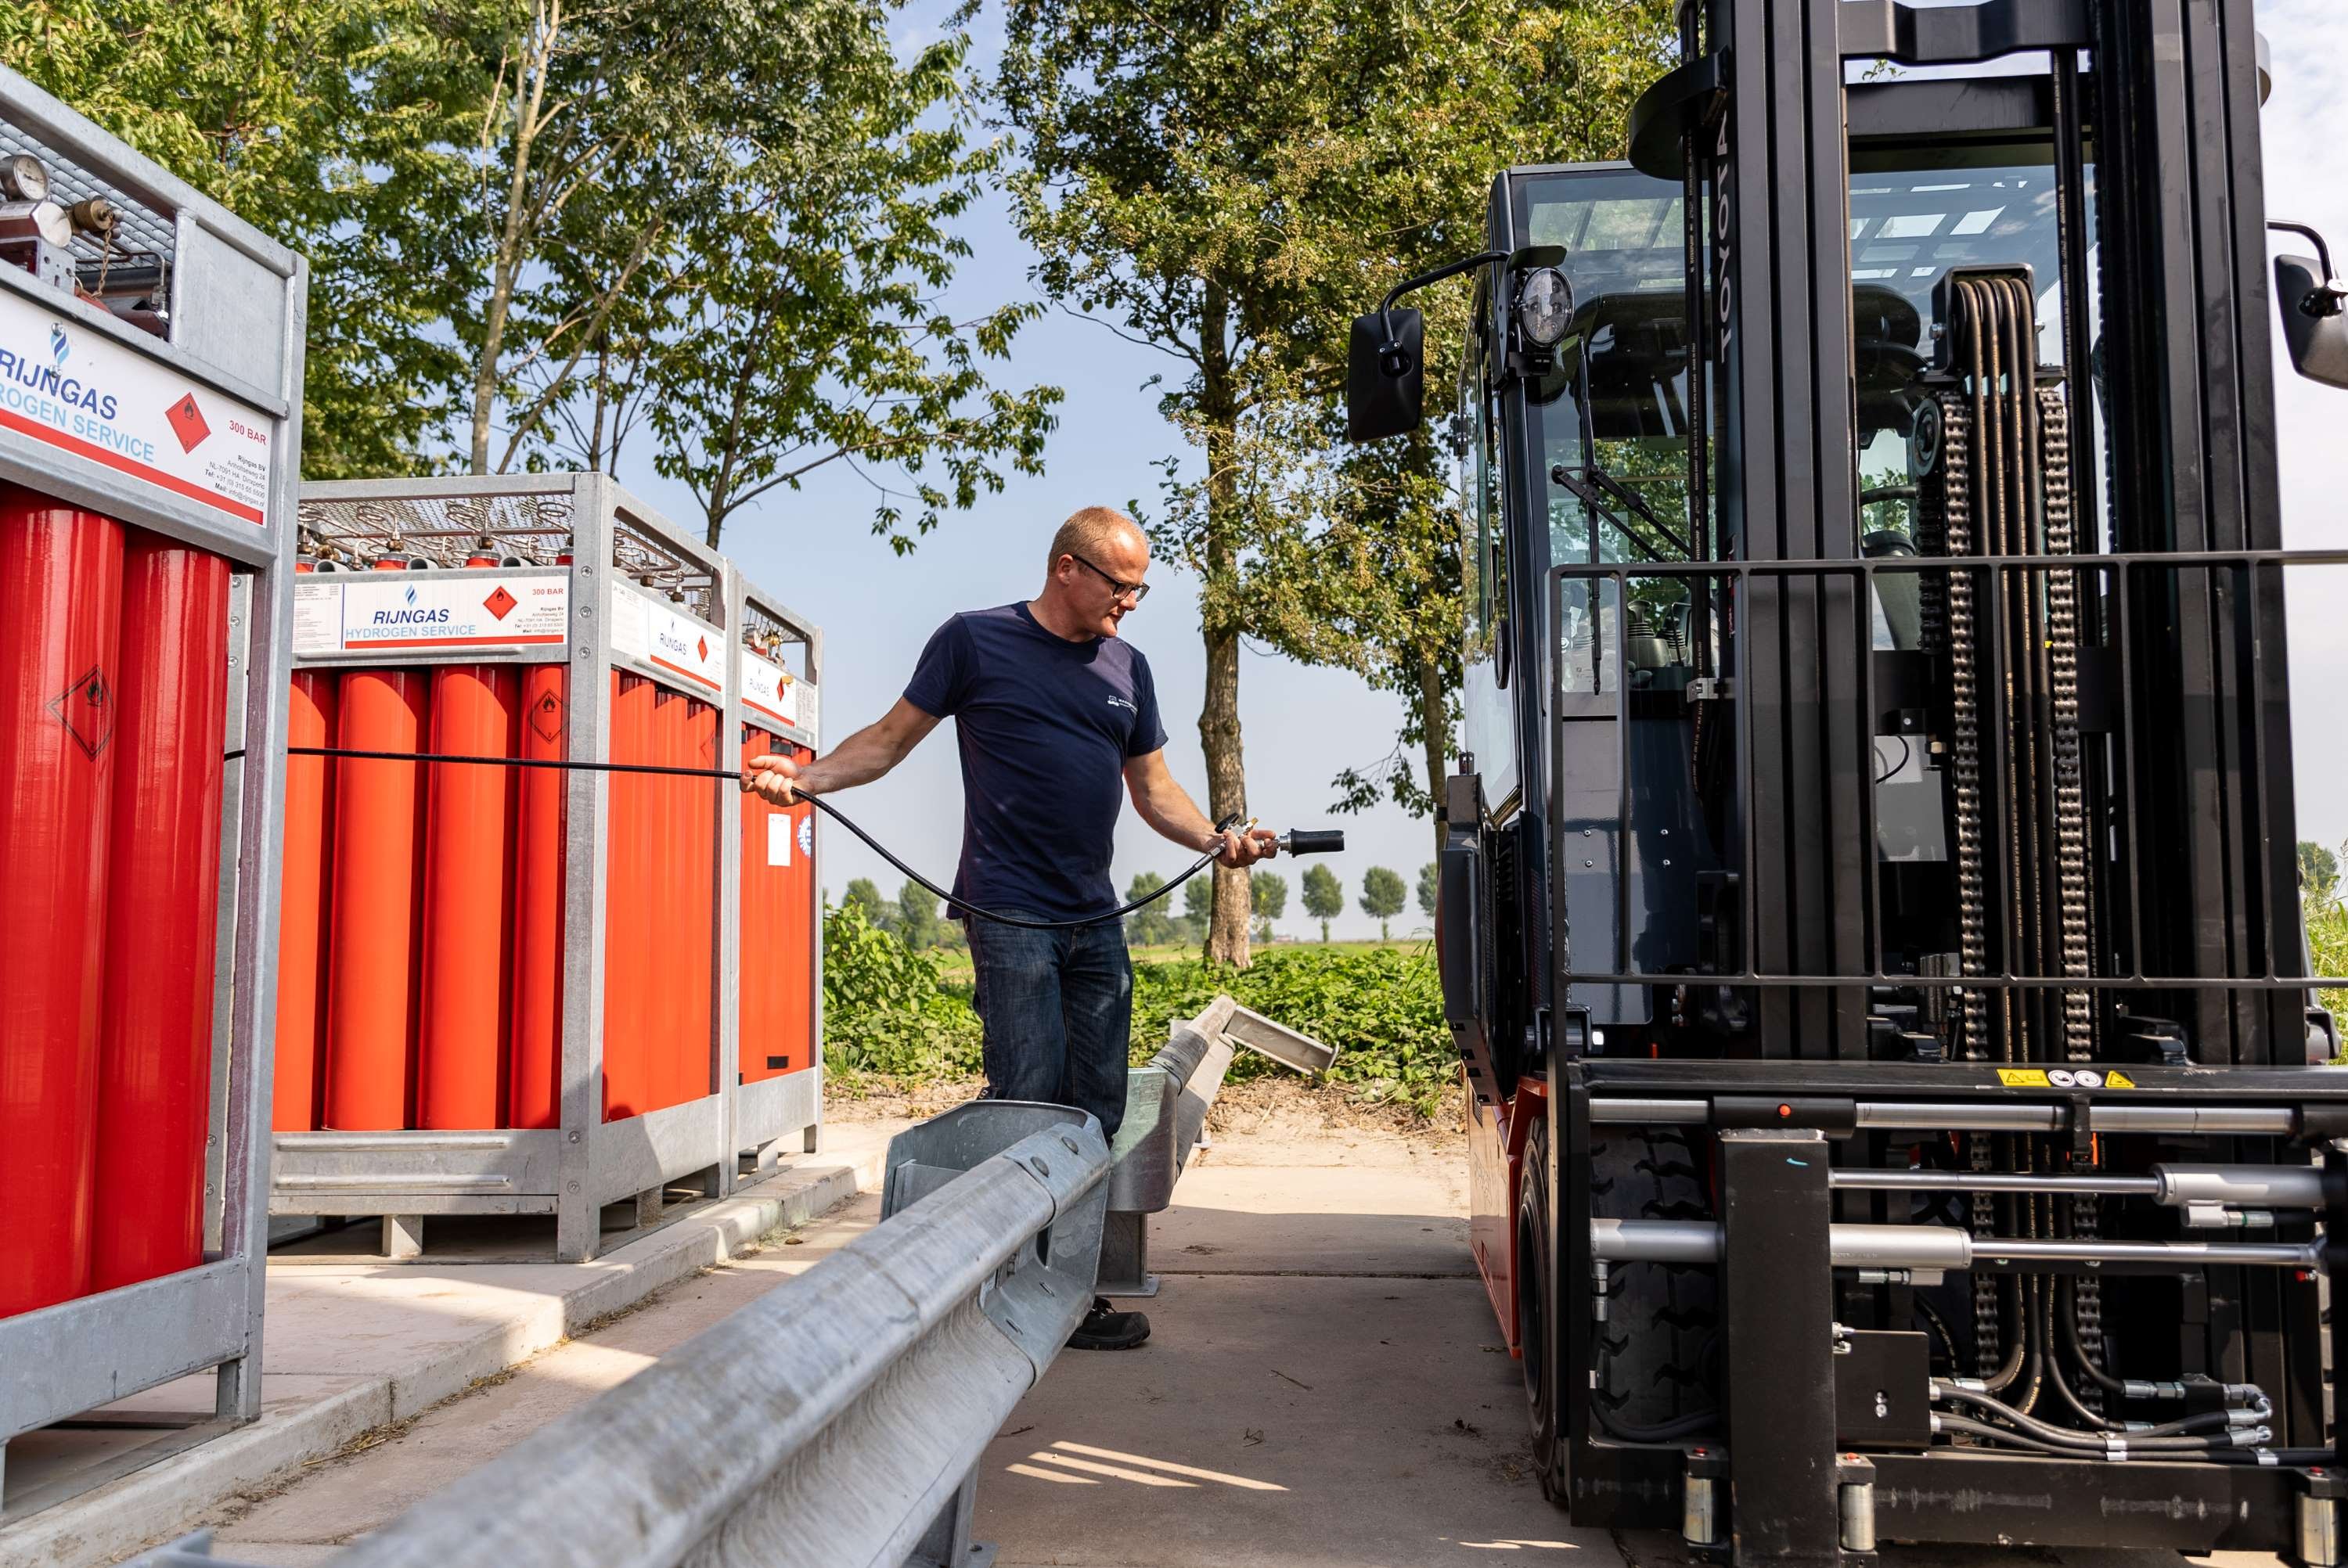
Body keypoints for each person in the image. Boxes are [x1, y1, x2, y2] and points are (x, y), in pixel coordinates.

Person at [740, 505, 1275, 1350]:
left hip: (1095, 918)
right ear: (1068, 568)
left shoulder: (1127, 668)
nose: (1131, 603)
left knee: (1095, 1109)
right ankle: (1017, 1292)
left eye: (1140, 588)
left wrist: (1216, 837)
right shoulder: (973, 643)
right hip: (1009, 909)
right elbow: (886, 741)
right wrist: (806, 780)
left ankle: (1065, 1288)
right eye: (1120, 585)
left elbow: (1155, 788)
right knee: (1030, 1101)